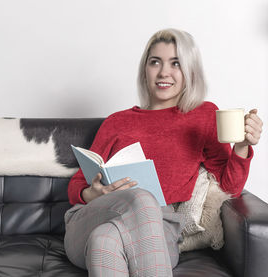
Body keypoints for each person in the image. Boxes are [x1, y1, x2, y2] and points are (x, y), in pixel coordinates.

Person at [64, 28, 263, 277]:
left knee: (104, 241)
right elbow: (76, 186)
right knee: (141, 199)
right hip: (93, 217)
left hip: (160, 228)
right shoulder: (117, 121)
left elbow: (229, 186)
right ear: (144, 69)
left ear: (190, 71)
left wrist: (243, 146)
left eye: (175, 63)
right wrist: (92, 193)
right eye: (155, 62)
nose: (163, 72)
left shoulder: (204, 116)